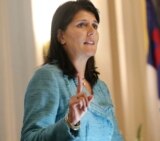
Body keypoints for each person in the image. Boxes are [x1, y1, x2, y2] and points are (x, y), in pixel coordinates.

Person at [21, 1, 123, 141]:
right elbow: (29, 138)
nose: (92, 31)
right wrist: (70, 122)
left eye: (94, 25)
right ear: (61, 36)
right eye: (82, 24)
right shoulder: (47, 77)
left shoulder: (101, 88)